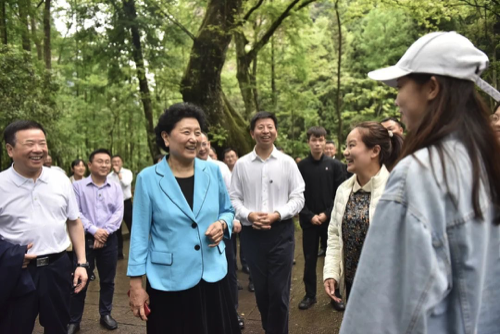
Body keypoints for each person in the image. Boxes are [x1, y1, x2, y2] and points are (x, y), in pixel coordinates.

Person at [339, 31, 500, 334]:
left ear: (432, 87)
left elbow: (375, 317)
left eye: (401, 86)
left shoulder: (419, 176)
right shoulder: (485, 163)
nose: (397, 99)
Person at [127, 103, 240, 334]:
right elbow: (139, 233)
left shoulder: (212, 171)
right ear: (166, 137)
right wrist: (136, 284)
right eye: (186, 132)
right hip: (169, 279)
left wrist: (222, 224)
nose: (194, 138)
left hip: (212, 275)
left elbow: (227, 210)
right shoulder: (148, 178)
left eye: (197, 132)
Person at [0, 120, 88, 334]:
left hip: (57, 267)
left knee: (58, 326)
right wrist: (11, 256)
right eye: (30, 143)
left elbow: (74, 221)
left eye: (42, 143)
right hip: (16, 271)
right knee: (14, 327)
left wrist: (82, 263)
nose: (38, 149)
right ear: (10, 149)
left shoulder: (60, 181)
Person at [230, 111, 305, 334]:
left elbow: (298, 196)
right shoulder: (242, 165)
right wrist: (249, 215)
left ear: (276, 131)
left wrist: (277, 214)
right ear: (252, 132)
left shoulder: (287, 162)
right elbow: (233, 197)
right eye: (260, 127)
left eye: (270, 127)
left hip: (281, 233)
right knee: (262, 292)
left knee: (279, 292)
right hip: (252, 235)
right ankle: (270, 328)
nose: (266, 131)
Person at [323, 122, 403, 307]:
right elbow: (335, 234)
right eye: (346, 146)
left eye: (352, 145)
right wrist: (332, 272)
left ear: (374, 151)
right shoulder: (343, 190)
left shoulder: (395, 190)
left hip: (386, 290)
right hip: (352, 286)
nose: (345, 152)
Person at [68, 149, 124, 333]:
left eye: (107, 161)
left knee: (108, 280)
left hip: (109, 239)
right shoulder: (78, 186)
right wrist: (94, 230)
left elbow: (118, 213)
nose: (104, 165)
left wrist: (104, 233)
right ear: (90, 164)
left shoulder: (116, 187)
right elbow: (76, 213)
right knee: (79, 280)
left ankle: (105, 314)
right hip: (84, 240)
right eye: (100, 161)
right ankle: (74, 319)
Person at [197, 137, 245, 330]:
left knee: (229, 270)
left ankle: (232, 310)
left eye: (205, 144)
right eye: (198, 144)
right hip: (198, 237)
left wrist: (231, 221)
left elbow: (230, 196)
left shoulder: (219, 167)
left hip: (222, 229)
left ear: (210, 146)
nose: (201, 148)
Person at [297, 126, 346, 311]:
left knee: (332, 258)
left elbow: (339, 194)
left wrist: (326, 213)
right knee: (309, 259)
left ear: (325, 142)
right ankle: (310, 295)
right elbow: (297, 195)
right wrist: (309, 216)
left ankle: (336, 295)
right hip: (309, 222)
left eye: (321, 140)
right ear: (308, 142)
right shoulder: (301, 167)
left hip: (330, 221)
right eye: (314, 140)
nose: (317, 144)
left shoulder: (335, 166)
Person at [108, 155, 134, 260]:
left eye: (118, 161)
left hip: (127, 203)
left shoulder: (127, 172)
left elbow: (126, 183)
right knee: (117, 230)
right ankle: (119, 252)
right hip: (115, 205)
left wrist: (119, 173)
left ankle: (136, 251)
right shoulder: (109, 176)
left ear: (121, 162)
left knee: (132, 226)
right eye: (114, 162)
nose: (116, 163)